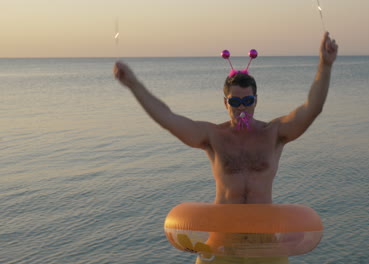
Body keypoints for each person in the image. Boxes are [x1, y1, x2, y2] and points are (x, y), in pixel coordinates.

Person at [114, 32, 338, 264]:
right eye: (235, 102)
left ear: (256, 101)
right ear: (225, 103)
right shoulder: (213, 136)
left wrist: (325, 64)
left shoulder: (274, 133)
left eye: (248, 101)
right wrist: (133, 84)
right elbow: (167, 118)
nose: (242, 108)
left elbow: (312, 108)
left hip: (265, 245)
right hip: (221, 243)